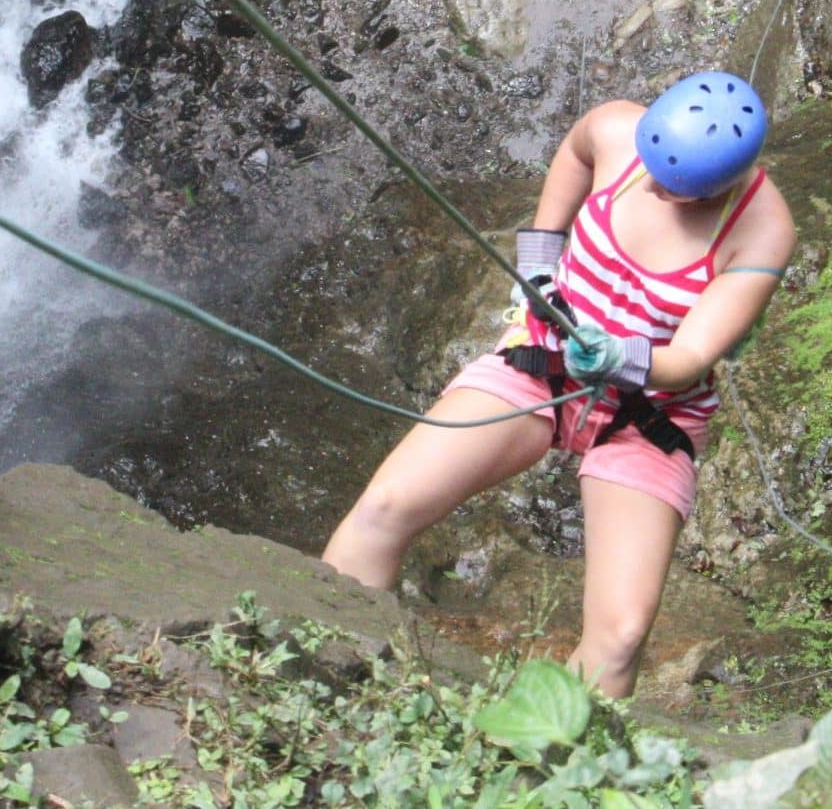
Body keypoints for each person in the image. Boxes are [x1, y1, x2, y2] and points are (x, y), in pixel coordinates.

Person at [322, 73, 795, 698]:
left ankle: (554, 750)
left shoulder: (763, 232)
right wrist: (541, 254)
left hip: (651, 415)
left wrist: (623, 357)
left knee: (621, 636)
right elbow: (576, 153)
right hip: (543, 360)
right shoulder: (617, 128)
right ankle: (327, 675)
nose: (651, 187)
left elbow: (690, 356)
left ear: (720, 187)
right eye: (651, 168)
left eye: (672, 189)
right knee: (384, 508)